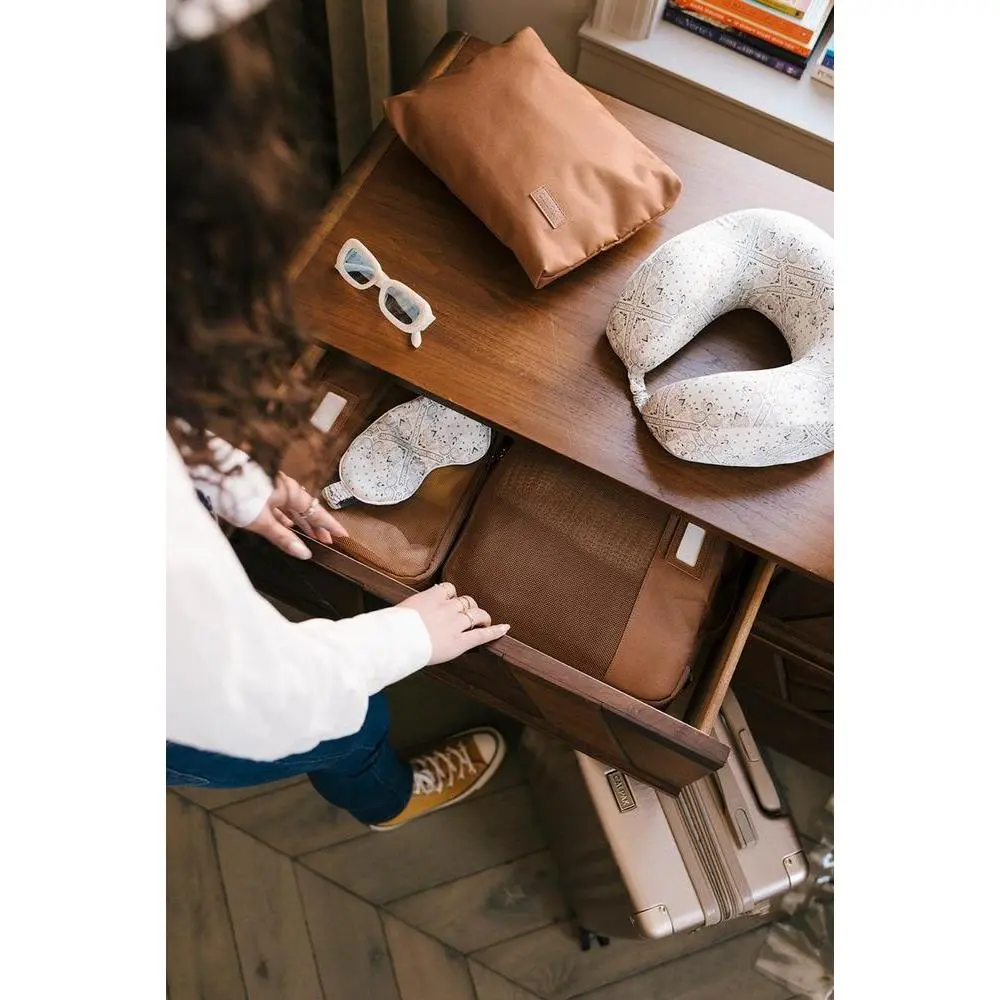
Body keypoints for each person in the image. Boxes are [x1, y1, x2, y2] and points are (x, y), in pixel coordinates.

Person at [166, 0, 509, 831]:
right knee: (352, 725)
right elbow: (273, 699)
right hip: (192, 717)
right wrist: (410, 639)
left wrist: (230, 481)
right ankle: (384, 799)